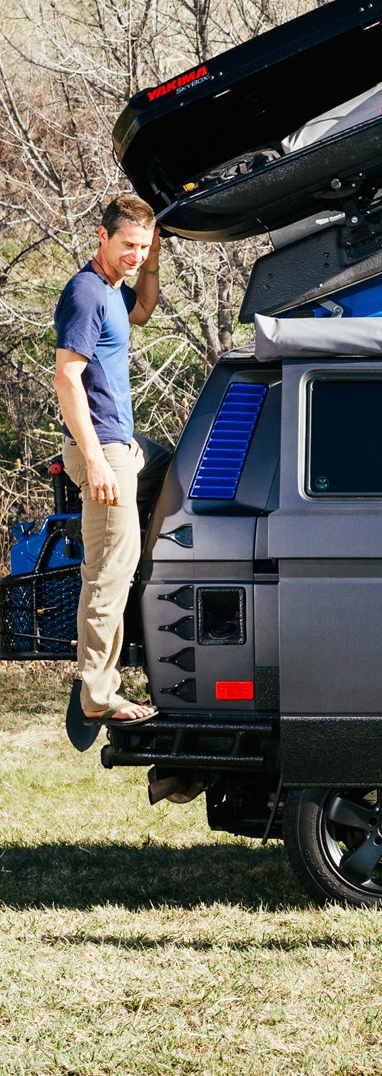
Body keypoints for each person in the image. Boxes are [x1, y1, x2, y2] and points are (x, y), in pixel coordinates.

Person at [53, 194, 173, 746]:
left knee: (173, 465)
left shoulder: (111, 292)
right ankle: (97, 693)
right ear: (101, 236)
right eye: (128, 244)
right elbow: (67, 380)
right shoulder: (84, 293)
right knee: (108, 573)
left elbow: (143, 309)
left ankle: (134, 544)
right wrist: (98, 463)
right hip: (102, 448)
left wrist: (153, 255)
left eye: (143, 246)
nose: (136, 255)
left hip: (125, 445)